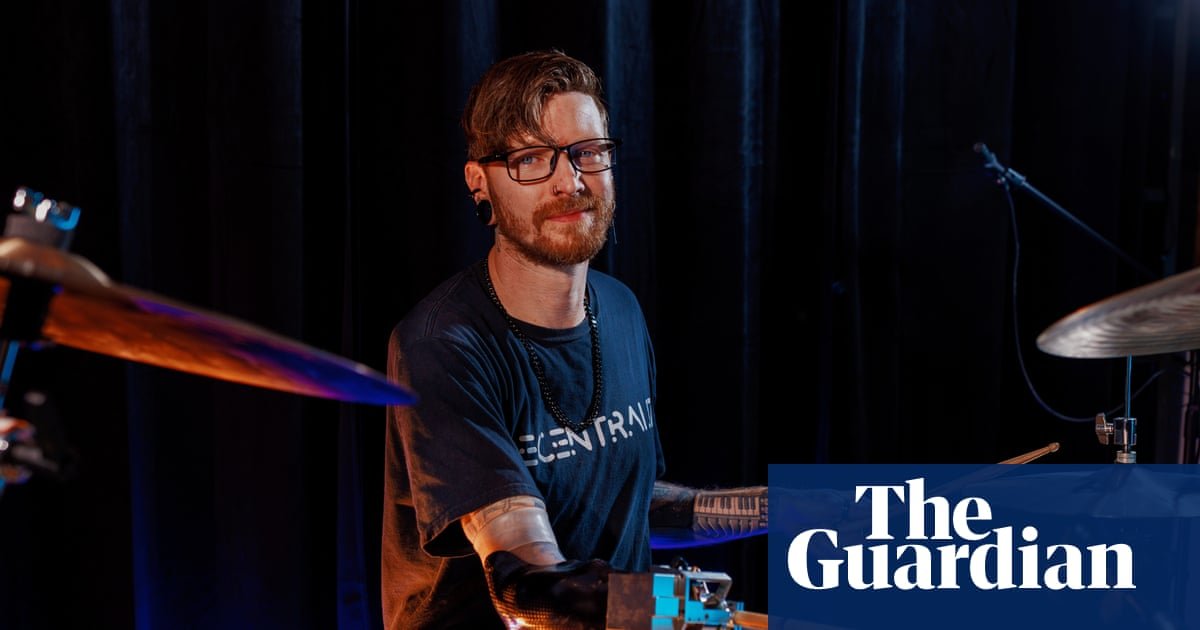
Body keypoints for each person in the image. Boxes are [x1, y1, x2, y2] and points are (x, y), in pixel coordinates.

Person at [381, 49, 770, 630]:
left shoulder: (619, 309)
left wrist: (792, 508)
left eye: (588, 152)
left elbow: (633, 507)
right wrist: (691, 614)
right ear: (479, 183)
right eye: (531, 159)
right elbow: (531, 587)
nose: (570, 181)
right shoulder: (442, 345)